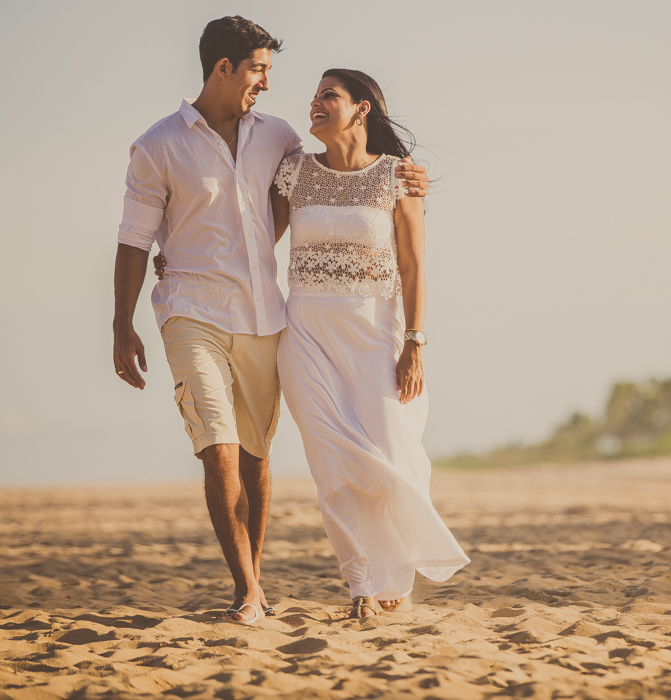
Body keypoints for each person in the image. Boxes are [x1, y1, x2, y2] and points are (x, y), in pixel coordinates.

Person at [111, 16, 430, 625]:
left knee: (261, 456)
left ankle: (326, 572)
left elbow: (324, 191)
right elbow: (132, 238)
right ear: (224, 68)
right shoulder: (158, 145)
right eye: (259, 69)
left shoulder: (278, 138)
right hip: (192, 308)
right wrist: (122, 323)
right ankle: (252, 590)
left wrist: (403, 172)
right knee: (222, 447)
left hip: (268, 314)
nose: (269, 83)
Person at [270, 69, 469, 618]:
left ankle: (395, 571)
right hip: (306, 331)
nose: (314, 104)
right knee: (331, 461)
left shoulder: (398, 178)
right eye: (313, 96)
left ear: (361, 109)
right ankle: (360, 584)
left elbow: (412, 265)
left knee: (391, 452)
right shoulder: (293, 173)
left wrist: (415, 341)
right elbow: (253, 238)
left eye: (327, 96)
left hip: (376, 332)